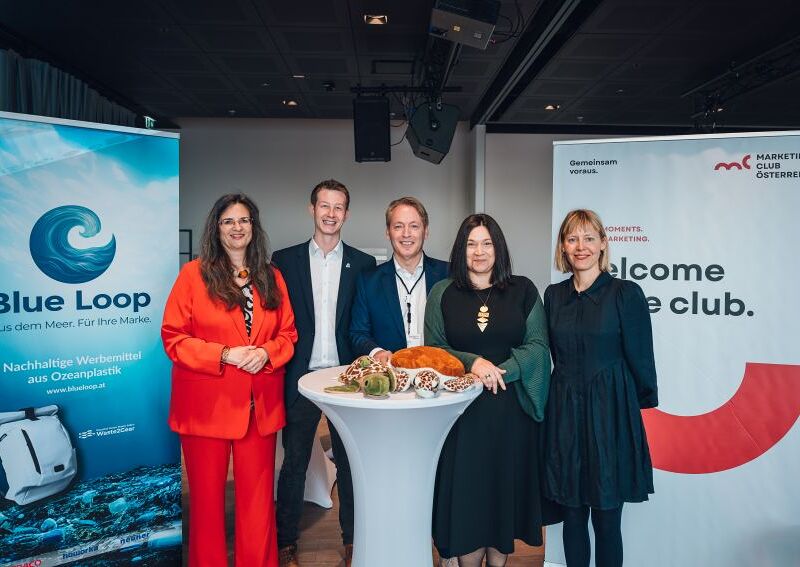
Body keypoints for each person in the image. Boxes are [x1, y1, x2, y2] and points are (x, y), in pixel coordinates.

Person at [162, 194, 297, 567]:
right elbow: (174, 337)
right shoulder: (193, 275)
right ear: (216, 229)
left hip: (260, 408)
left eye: (244, 220)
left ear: (253, 227)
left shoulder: (272, 277)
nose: (237, 228)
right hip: (207, 408)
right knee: (206, 504)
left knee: (257, 503)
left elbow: (288, 335)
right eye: (228, 221)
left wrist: (267, 352)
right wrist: (225, 354)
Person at [425, 213, 554, 567]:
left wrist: (501, 371)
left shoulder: (523, 290)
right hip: (461, 418)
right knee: (469, 504)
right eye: (471, 244)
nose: (479, 252)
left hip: (510, 417)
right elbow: (433, 351)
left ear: (498, 248)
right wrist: (472, 363)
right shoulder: (442, 293)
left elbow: (538, 347)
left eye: (486, 243)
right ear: (460, 250)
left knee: (501, 505)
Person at [544, 209, 658, 567]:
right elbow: (550, 353)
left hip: (610, 417)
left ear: (603, 244)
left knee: (607, 520)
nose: (581, 246)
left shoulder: (626, 294)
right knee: (573, 517)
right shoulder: (553, 296)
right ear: (563, 246)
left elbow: (641, 358)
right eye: (573, 238)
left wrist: (631, 409)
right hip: (564, 416)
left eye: (589, 238)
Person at [272, 179, 376, 567]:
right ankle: (285, 542)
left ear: (346, 214)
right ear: (311, 208)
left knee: (349, 465)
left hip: (346, 382)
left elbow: (362, 323)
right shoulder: (285, 260)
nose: (331, 214)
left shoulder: (364, 265)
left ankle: (352, 542)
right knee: (294, 462)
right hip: (300, 378)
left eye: (338, 207)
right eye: (324, 206)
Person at [350, 196, 448, 362]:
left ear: (426, 231)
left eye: (414, 226)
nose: (406, 234)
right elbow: (357, 333)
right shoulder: (368, 281)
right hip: (390, 378)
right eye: (398, 226)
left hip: (440, 376)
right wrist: (376, 352)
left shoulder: (449, 274)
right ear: (388, 232)